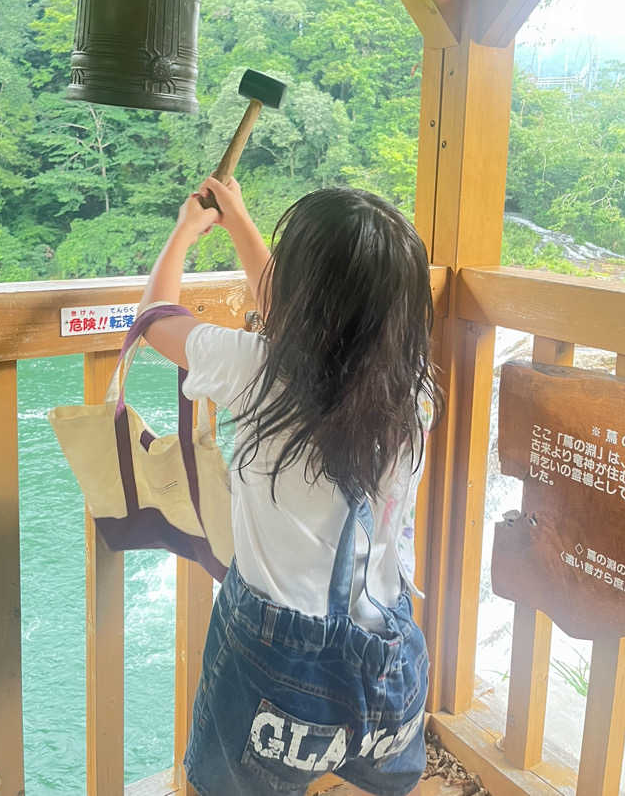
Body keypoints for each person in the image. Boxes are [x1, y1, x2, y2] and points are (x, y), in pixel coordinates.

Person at [139, 175, 439, 796]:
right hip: (386, 663)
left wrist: (187, 230)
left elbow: (155, 317)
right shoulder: (415, 393)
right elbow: (311, 319)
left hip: (273, 661)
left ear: (302, 300)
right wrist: (241, 222)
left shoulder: (255, 369)